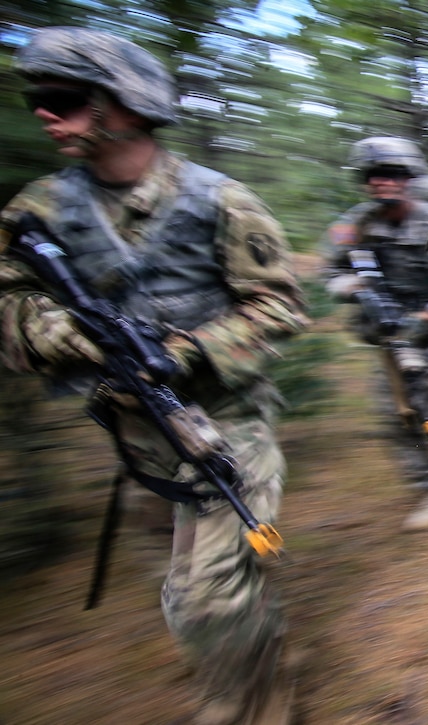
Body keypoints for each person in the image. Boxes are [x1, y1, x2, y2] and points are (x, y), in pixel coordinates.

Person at [0, 27, 307, 724]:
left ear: (126, 104)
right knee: (184, 596)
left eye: (64, 97)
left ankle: (260, 704)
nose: (45, 111)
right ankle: (247, 668)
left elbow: (281, 307)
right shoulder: (37, 213)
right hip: (136, 438)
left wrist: (186, 352)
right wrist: (69, 335)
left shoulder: (220, 202)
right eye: (38, 98)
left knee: (211, 590)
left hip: (225, 422)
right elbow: (9, 305)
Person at [322, 136, 428, 531]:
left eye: (393, 174)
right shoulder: (355, 227)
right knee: (397, 420)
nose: (382, 183)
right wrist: (354, 288)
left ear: (410, 179)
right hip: (390, 338)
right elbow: (330, 272)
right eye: (374, 175)